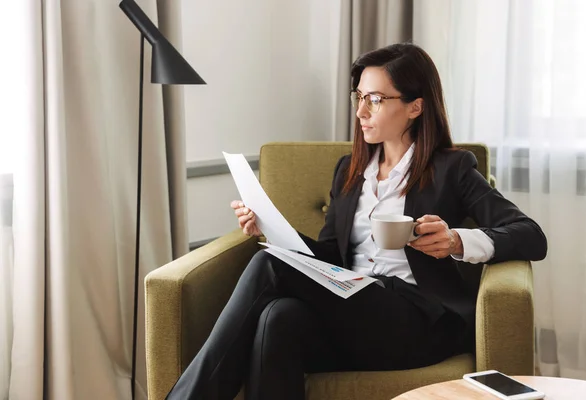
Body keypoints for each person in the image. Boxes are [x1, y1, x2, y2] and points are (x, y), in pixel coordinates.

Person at [166, 43, 547, 400]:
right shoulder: (349, 171)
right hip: (355, 309)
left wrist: (457, 241)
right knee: (277, 318)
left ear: (415, 107)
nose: (362, 111)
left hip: (418, 319)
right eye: (360, 98)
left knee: (268, 264)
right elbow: (330, 254)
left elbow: (531, 235)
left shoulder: (453, 168)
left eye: (376, 100)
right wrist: (272, 229)